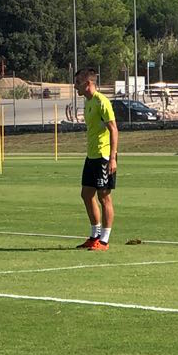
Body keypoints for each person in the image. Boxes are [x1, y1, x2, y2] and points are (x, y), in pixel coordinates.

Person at [74, 69, 118, 251]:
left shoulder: (102, 102)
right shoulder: (88, 102)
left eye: (77, 82)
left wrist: (112, 158)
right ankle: (94, 236)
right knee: (86, 194)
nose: (75, 86)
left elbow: (114, 129)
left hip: (103, 156)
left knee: (104, 196)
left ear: (87, 83)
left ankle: (104, 240)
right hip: (91, 156)